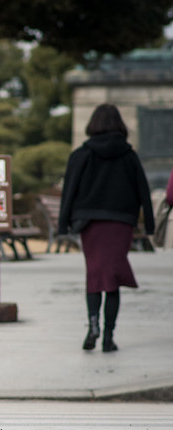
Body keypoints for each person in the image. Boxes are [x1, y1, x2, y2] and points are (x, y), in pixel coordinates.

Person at [58, 103, 154, 353]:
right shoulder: (129, 155)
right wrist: (150, 225)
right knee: (112, 277)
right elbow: (142, 190)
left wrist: (63, 223)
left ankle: (93, 327)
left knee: (95, 273)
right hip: (121, 222)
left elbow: (69, 190)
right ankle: (108, 337)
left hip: (90, 224)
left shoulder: (82, 154)